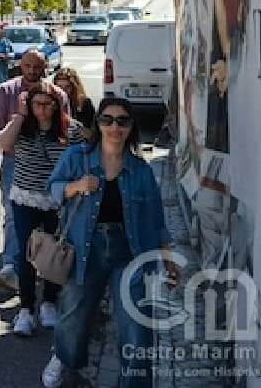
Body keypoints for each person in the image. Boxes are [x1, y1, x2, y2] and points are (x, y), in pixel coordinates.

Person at [41, 98, 177, 388]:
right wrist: (75, 186)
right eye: (107, 119)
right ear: (98, 123)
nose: (114, 126)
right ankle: (66, 362)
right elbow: (51, 190)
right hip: (84, 248)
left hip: (129, 251)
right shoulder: (77, 158)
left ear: (131, 127)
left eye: (122, 121)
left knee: (136, 325)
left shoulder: (140, 170)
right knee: (74, 315)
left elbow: (156, 219)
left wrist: (168, 258)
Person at [0, 82, 84, 337]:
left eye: (47, 104)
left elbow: (83, 158)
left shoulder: (70, 129)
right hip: (24, 197)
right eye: (37, 104)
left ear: (56, 105)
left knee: (54, 252)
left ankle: (48, 303)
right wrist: (21, 115)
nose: (42, 110)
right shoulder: (22, 125)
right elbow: (2, 143)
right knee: (27, 253)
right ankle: (25, 309)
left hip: (57, 200)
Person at [0, 50, 69, 291]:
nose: (32, 71)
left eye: (37, 67)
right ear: (20, 66)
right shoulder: (5, 92)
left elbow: (66, 132)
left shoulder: (58, 96)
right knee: (13, 215)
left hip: (51, 165)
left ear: (46, 67)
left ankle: (46, 269)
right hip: (14, 163)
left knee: (51, 218)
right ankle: (11, 266)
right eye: (27, 66)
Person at [54, 68, 95, 135]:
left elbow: (90, 134)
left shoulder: (84, 103)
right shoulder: (50, 103)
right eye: (59, 87)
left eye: (67, 87)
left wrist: (70, 121)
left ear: (74, 88)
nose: (63, 91)